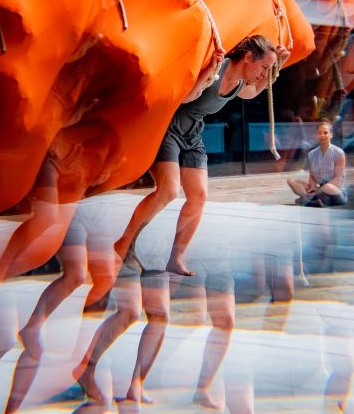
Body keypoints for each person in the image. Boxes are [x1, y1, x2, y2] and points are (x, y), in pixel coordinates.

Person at [114, 36, 287, 276]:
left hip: (192, 134)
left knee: (199, 196)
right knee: (168, 190)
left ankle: (176, 258)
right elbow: (186, 97)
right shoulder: (218, 65)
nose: (263, 74)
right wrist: (207, 73)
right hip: (169, 128)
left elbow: (254, 92)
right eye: (264, 67)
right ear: (248, 58)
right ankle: (124, 244)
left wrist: (278, 68)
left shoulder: (239, 83)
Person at [286, 119, 347, 207]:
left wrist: (318, 190)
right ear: (316, 135)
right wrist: (313, 188)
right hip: (319, 190)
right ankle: (309, 199)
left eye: (325, 133)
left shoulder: (339, 153)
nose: (322, 135)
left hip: (335, 190)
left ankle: (307, 200)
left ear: (331, 135)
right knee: (291, 180)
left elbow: (338, 179)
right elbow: (312, 178)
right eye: (319, 133)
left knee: (327, 187)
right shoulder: (311, 154)